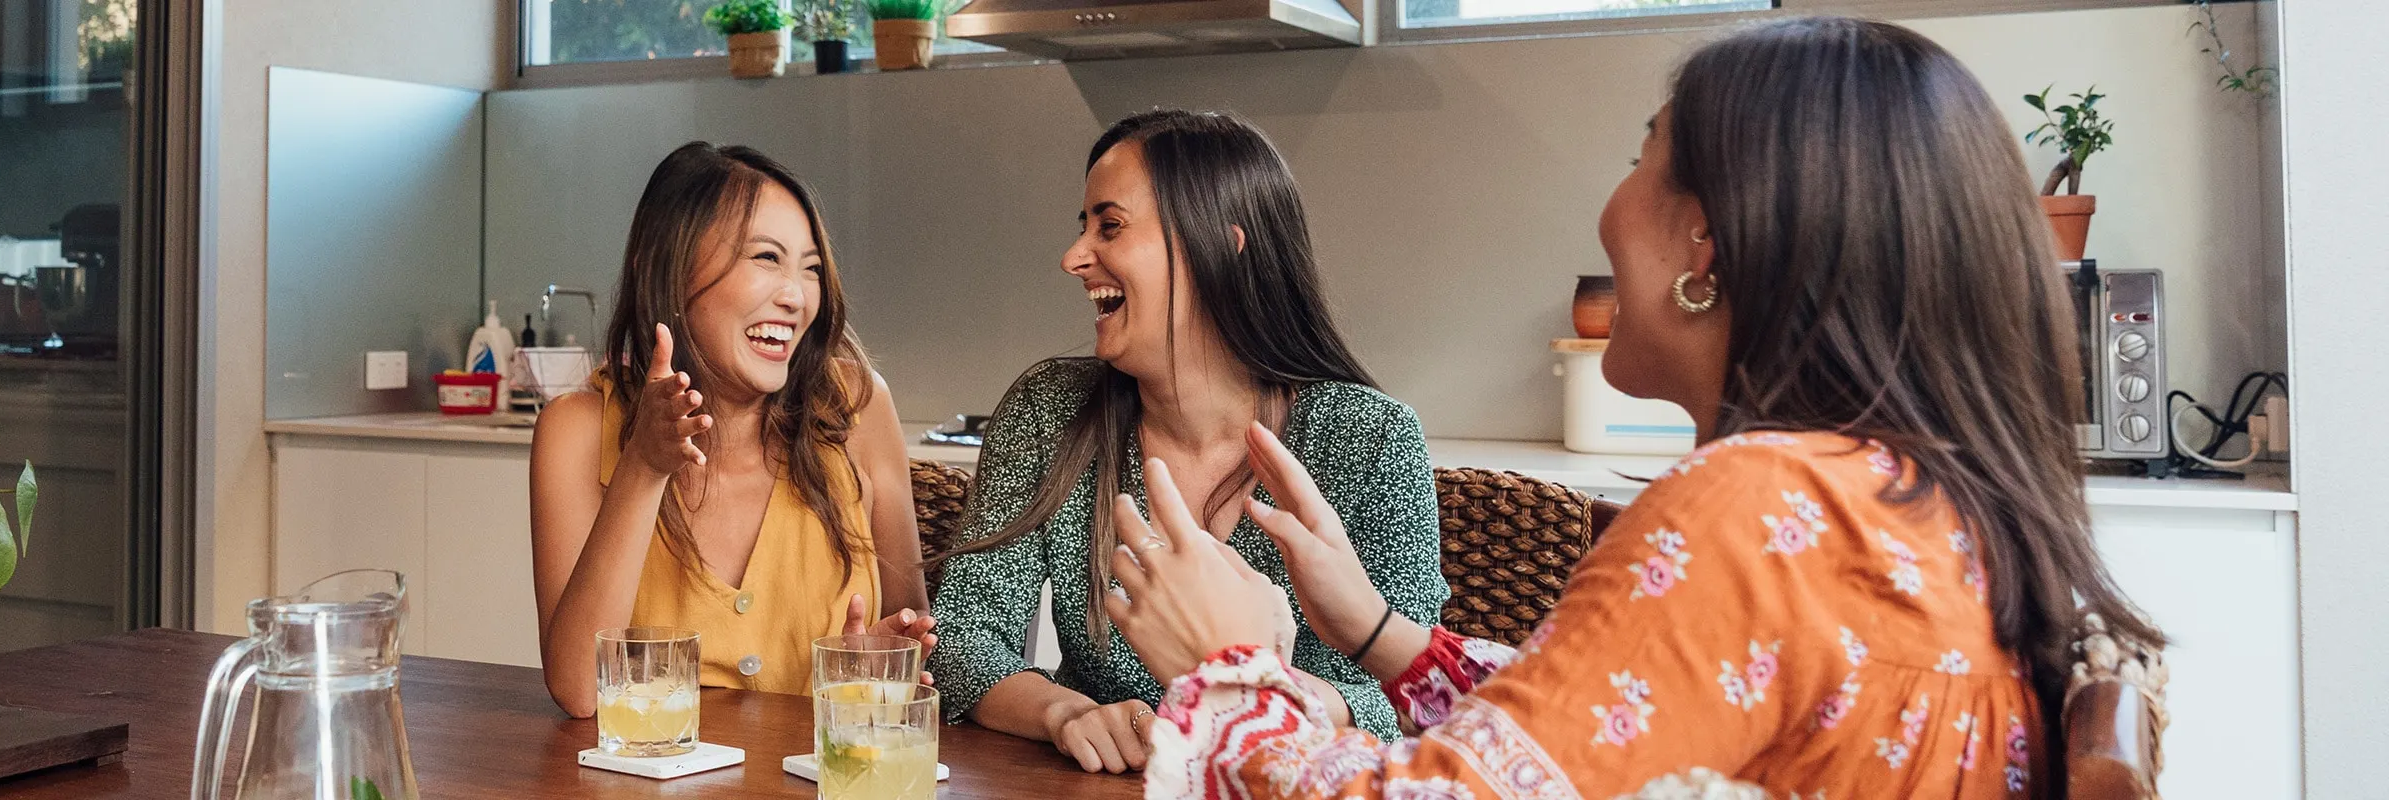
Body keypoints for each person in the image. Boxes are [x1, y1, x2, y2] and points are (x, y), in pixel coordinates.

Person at [1102, 17, 2164, 798]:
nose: (1612, 206)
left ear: (1705, 243)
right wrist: (1382, 633)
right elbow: (1624, 718)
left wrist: (1227, 667)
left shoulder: (1755, 508)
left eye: (1639, 157)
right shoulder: (1914, 496)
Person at [926, 109, 1450, 773]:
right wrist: (1067, 713)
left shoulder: (1369, 439)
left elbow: (1408, 691)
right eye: (1082, 227)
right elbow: (965, 636)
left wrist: (1266, 700)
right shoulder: (1048, 410)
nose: (1074, 257)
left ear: (1218, 245)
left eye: (1109, 226)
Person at [529, 142, 935, 717]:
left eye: (811, 268)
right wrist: (643, 468)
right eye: (767, 258)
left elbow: (911, 647)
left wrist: (872, 668)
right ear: (666, 267)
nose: (797, 296)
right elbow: (576, 689)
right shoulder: (577, 430)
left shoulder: (858, 407)